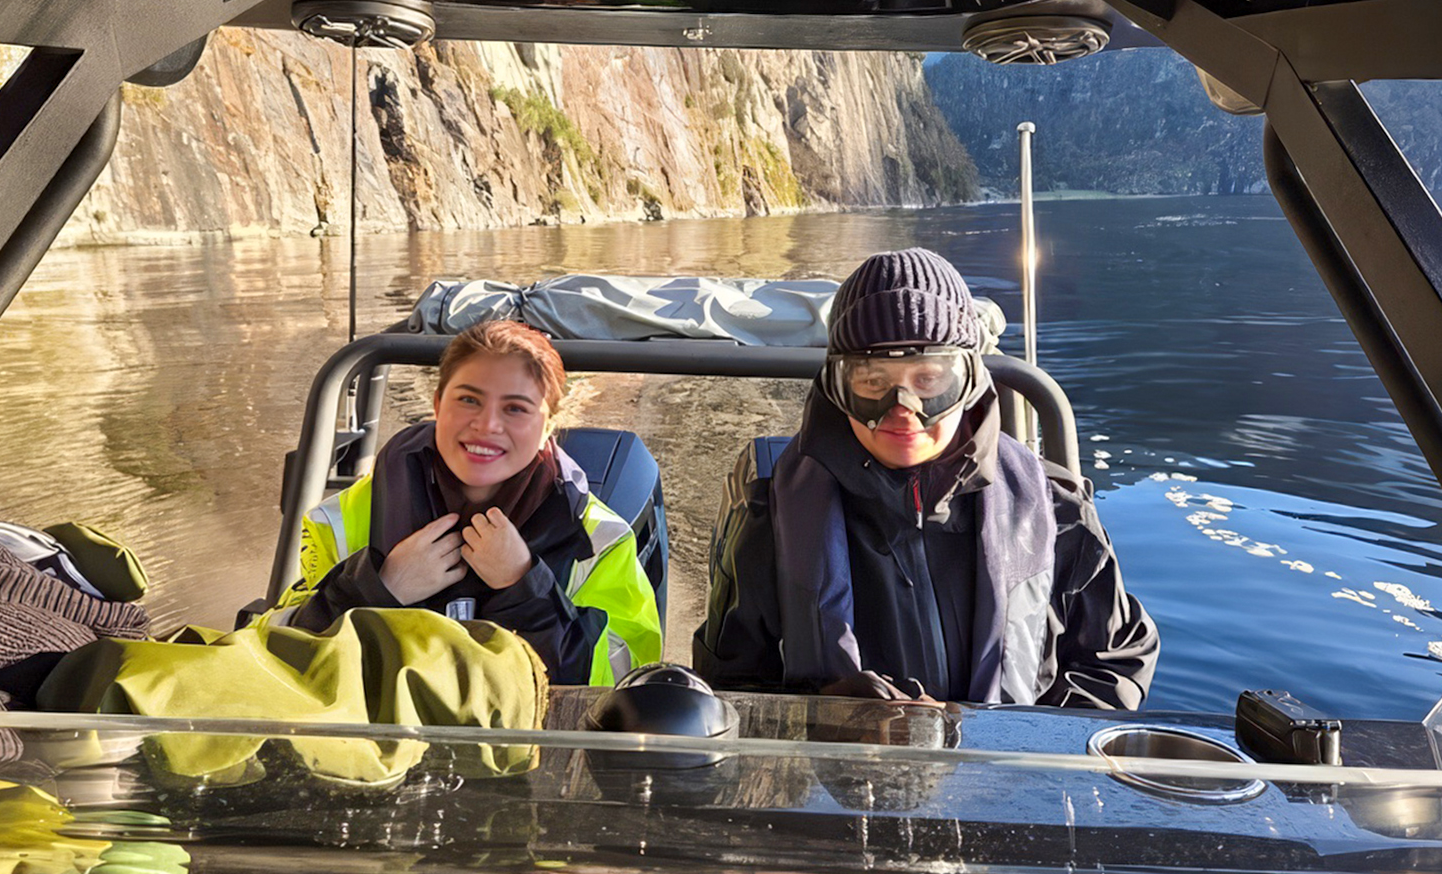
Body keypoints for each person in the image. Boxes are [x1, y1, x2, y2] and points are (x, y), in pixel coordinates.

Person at [693, 248, 1158, 707]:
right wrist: (823, 716)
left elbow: (1116, 659)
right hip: (842, 778)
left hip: (1006, 778)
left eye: (930, 380)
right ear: (837, 389)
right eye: (873, 382)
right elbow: (731, 685)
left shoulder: (1059, 513)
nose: (903, 409)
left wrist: (1031, 746)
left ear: (969, 381)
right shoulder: (769, 518)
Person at [280, 320, 662, 686]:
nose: (487, 425)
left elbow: (622, 687)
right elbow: (281, 659)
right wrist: (379, 587)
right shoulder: (342, 520)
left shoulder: (599, 540)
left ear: (548, 425)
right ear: (438, 404)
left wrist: (525, 589)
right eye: (468, 399)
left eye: (515, 408)